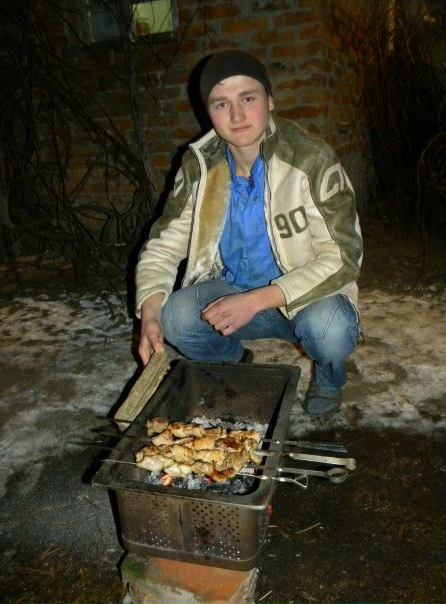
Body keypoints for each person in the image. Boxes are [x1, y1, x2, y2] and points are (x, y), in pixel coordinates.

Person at [135, 49, 362, 416]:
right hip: (232, 295)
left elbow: (344, 258)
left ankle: (328, 376)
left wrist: (256, 300)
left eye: (248, 98)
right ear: (208, 113)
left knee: (331, 330)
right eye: (221, 104)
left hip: (305, 300)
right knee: (175, 316)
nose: (236, 115)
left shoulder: (311, 159)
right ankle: (235, 363)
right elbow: (164, 244)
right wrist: (149, 311)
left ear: (269, 101)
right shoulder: (199, 166)